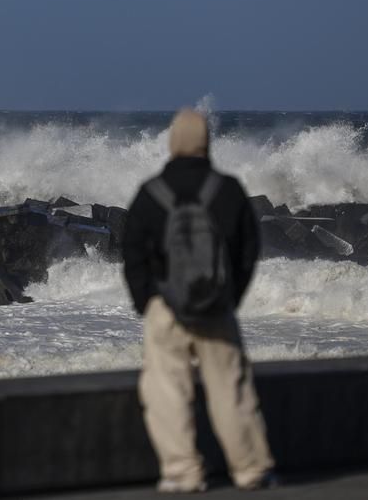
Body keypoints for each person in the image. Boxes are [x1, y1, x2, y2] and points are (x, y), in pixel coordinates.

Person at [122, 109, 278, 493]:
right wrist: (230, 297)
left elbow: (132, 253)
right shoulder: (228, 190)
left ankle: (182, 473)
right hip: (216, 307)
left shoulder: (151, 192)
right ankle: (251, 470)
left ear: (173, 141)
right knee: (231, 391)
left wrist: (147, 301)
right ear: (207, 142)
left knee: (166, 391)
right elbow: (248, 251)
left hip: (166, 307)